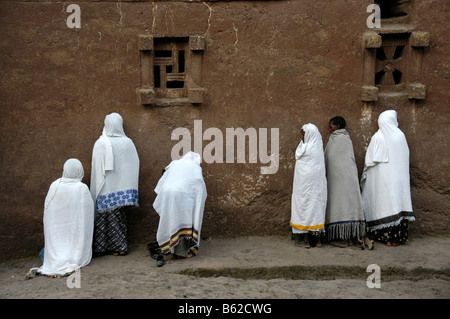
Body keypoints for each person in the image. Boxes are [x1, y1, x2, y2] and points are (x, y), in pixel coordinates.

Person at [361, 110, 414, 246]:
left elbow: (369, 162)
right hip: (398, 181)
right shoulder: (400, 136)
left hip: (382, 182)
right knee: (397, 201)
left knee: (384, 202)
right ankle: (396, 238)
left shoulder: (377, 137)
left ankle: (385, 238)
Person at [90, 112, 140, 256]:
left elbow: (97, 168)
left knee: (105, 217)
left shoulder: (101, 143)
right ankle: (119, 246)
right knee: (118, 216)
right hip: (123, 191)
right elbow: (133, 165)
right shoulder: (128, 143)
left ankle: (110, 247)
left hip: (105, 187)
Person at [39, 159, 94, 277]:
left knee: (48, 252)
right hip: (73, 236)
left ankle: (54, 258)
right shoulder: (81, 188)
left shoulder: (54, 185)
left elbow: (48, 213)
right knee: (73, 248)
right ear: (80, 171)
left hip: (55, 237)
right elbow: (87, 218)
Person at [153, 152, 207, 260]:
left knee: (172, 219)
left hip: (167, 193)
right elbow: (199, 187)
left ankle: (170, 247)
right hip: (183, 194)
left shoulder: (174, 163)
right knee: (183, 221)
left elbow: (162, 180)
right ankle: (181, 252)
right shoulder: (195, 167)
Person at [324, 116, 368, 248]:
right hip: (349, 179)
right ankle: (349, 237)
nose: (329, 129)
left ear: (337, 126)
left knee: (338, 205)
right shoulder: (347, 139)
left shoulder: (333, 140)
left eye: (331, 126)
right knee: (348, 205)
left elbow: (327, 159)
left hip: (336, 180)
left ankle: (341, 238)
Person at [290, 124, 327, 248]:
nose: (301, 137)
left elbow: (299, 157)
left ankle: (304, 240)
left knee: (303, 206)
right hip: (317, 187)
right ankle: (317, 241)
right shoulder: (318, 148)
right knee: (316, 208)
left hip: (303, 186)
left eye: (302, 134)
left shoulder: (304, 148)